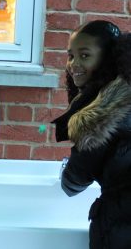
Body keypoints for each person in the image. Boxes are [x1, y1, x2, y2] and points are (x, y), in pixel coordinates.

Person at [52, 20, 131, 249]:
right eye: (71, 56)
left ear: (106, 59)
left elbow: (73, 183)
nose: (73, 64)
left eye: (85, 56)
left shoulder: (100, 116)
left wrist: (67, 170)